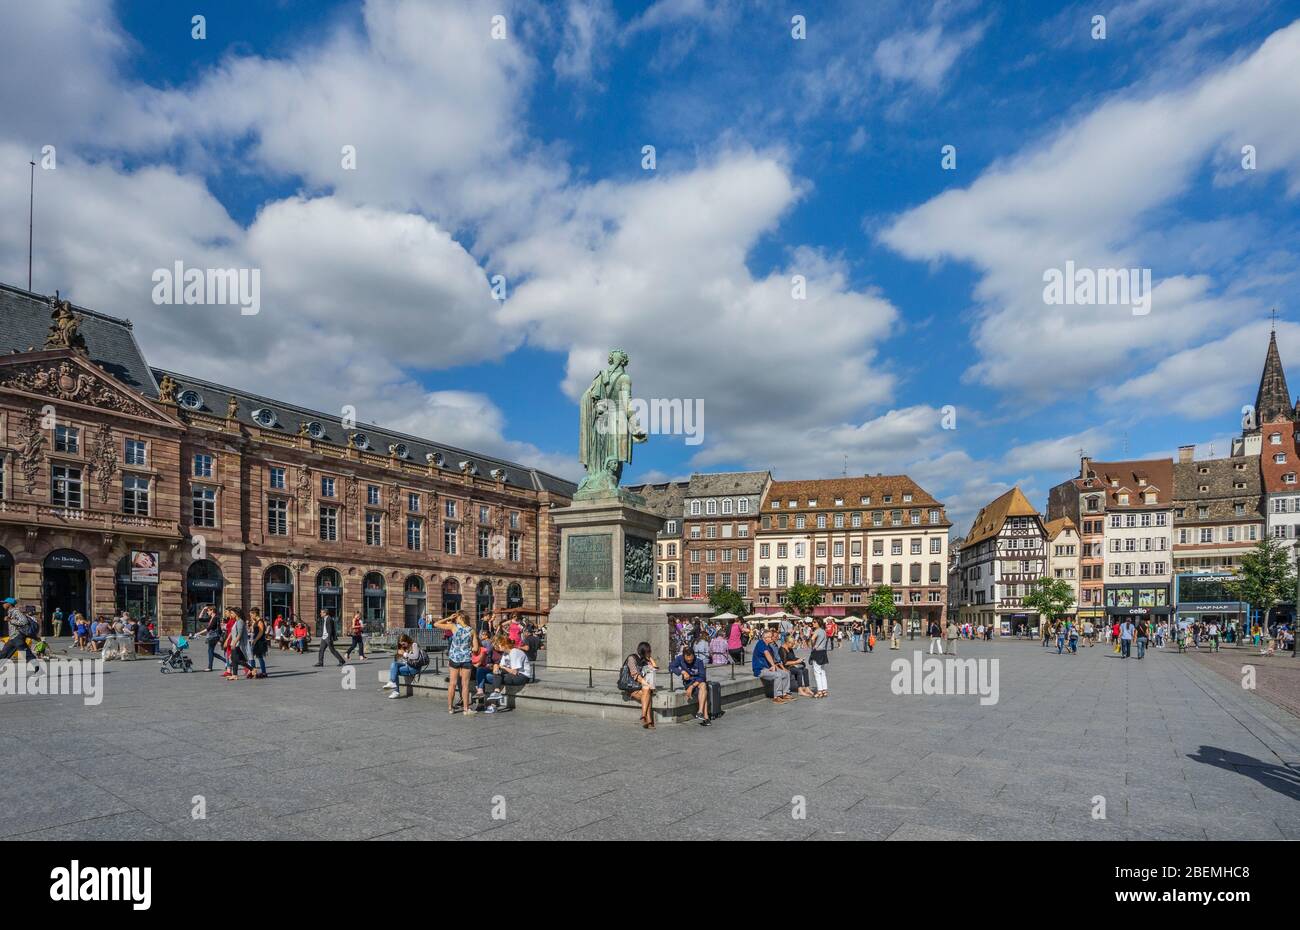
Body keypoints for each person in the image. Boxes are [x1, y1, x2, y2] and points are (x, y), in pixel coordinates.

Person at [435, 611, 475, 715]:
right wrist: (468, 648)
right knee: (465, 685)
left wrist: (448, 617)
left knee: (452, 684)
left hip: (454, 658)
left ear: (459, 618)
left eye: (456, 617)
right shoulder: (471, 630)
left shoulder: (453, 627)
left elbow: (436, 624)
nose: (455, 619)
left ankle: (450, 708)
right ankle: (466, 709)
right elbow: (476, 648)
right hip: (466, 658)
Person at [670, 645, 712, 726]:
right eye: (687, 658)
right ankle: (705, 716)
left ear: (694, 655)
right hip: (688, 682)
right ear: (683, 656)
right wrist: (682, 672)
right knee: (704, 690)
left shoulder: (699, 661)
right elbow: (671, 666)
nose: (689, 660)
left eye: (691, 658)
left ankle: (700, 712)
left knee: (703, 685)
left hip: (698, 682)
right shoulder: (680, 659)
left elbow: (702, 677)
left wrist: (692, 686)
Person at [620, 641, 658, 728]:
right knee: (647, 693)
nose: (650, 653)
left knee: (646, 692)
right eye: (648, 652)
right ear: (643, 651)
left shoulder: (644, 660)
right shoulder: (632, 658)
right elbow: (635, 675)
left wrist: (651, 659)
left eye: (650, 651)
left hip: (641, 686)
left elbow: (654, 669)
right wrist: (647, 684)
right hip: (631, 687)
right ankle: (648, 719)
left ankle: (644, 717)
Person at [752, 628, 793, 704]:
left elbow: (773, 659)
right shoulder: (761, 643)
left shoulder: (769, 646)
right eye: (771, 637)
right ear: (766, 638)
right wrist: (773, 666)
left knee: (786, 673)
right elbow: (766, 654)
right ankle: (776, 697)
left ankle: (784, 694)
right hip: (760, 670)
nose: (773, 638)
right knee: (778, 675)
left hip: (768, 668)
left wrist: (778, 667)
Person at [383, 634, 425, 699]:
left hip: (414, 667)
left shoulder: (414, 645)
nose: (402, 645)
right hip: (407, 665)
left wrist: (404, 654)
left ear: (407, 640)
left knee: (395, 671)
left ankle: (395, 690)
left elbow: (415, 656)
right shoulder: (404, 647)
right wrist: (399, 654)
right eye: (401, 644)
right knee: (394, 664)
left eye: (403, 644)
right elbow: (404, 660)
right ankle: (392, 683)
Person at [223, 608, 249, 680]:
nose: (231, 615)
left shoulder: (240, 621)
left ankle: (251, 669)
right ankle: (235, 675)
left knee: (236, 659)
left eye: (232, 613)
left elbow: (239, 634)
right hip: (234, 642)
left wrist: (234, 642)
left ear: (236, 614)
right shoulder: (236, 621)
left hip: (236, 643)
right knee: (234, 659)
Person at [198, 606, 226, 672]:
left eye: (208, 611)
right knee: (210, 651)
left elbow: (209, 628)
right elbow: (200, 619)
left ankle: (210, 667)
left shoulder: (215, 618)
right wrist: (203, 609)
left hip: (214, 636)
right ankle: (225, 661)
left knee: (210, 651)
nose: (207, 612)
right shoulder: (211, 617)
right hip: (212, 636)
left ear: (212, 611)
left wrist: (198, 633)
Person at [808, 617, 830, 698]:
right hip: (823, 652)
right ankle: (824, 690)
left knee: (817, 672)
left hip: (817, 652)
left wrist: (813, 645)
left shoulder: (817, 631)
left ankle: (819, 691)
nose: (813, 623)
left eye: (814, 622)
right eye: (813, 622)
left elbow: (812, 639)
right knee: (822, 672)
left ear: (819, 623)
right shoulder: (824, 631)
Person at [249, 608, 269, 678]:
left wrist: (255, 640)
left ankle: (263, 672)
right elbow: (252, 630)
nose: (250, 616)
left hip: (259, 641)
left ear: (255, 614)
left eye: (251, 615)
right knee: (252, 656)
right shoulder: (256, 621)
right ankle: (253, 671)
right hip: (256, 640)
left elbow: (261, 632)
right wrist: (252, 622)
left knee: (259, 657)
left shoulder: (260, 621)